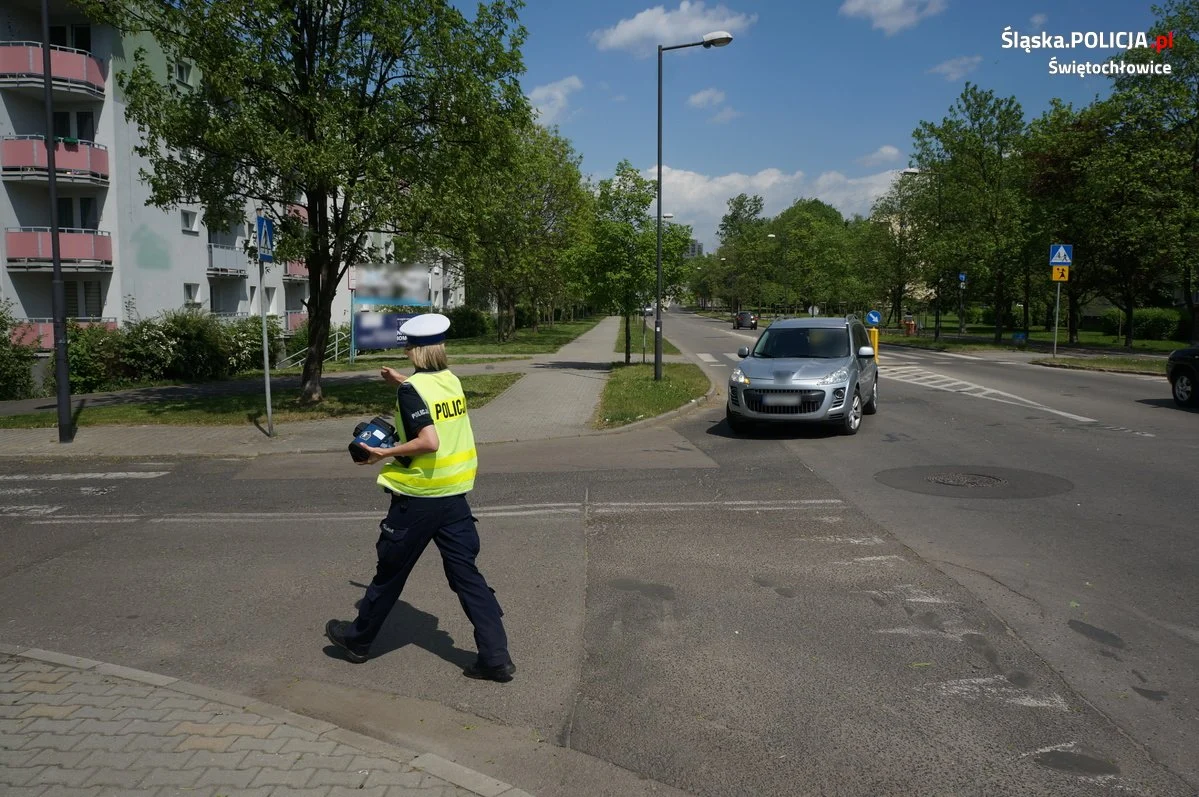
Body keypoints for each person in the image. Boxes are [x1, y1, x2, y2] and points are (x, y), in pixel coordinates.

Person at [325, 312, 515, 682]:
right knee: (467, 576)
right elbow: (433, 404)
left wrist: (381, 453)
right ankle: (496, 658)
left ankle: (357, 641)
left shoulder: (412, 391)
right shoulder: (450, 381)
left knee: (390, 574)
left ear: (416, 351)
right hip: (454, 496)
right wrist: (401, 381)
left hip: (418, 498)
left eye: (409, 347)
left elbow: (429, 441)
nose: (406, 352)